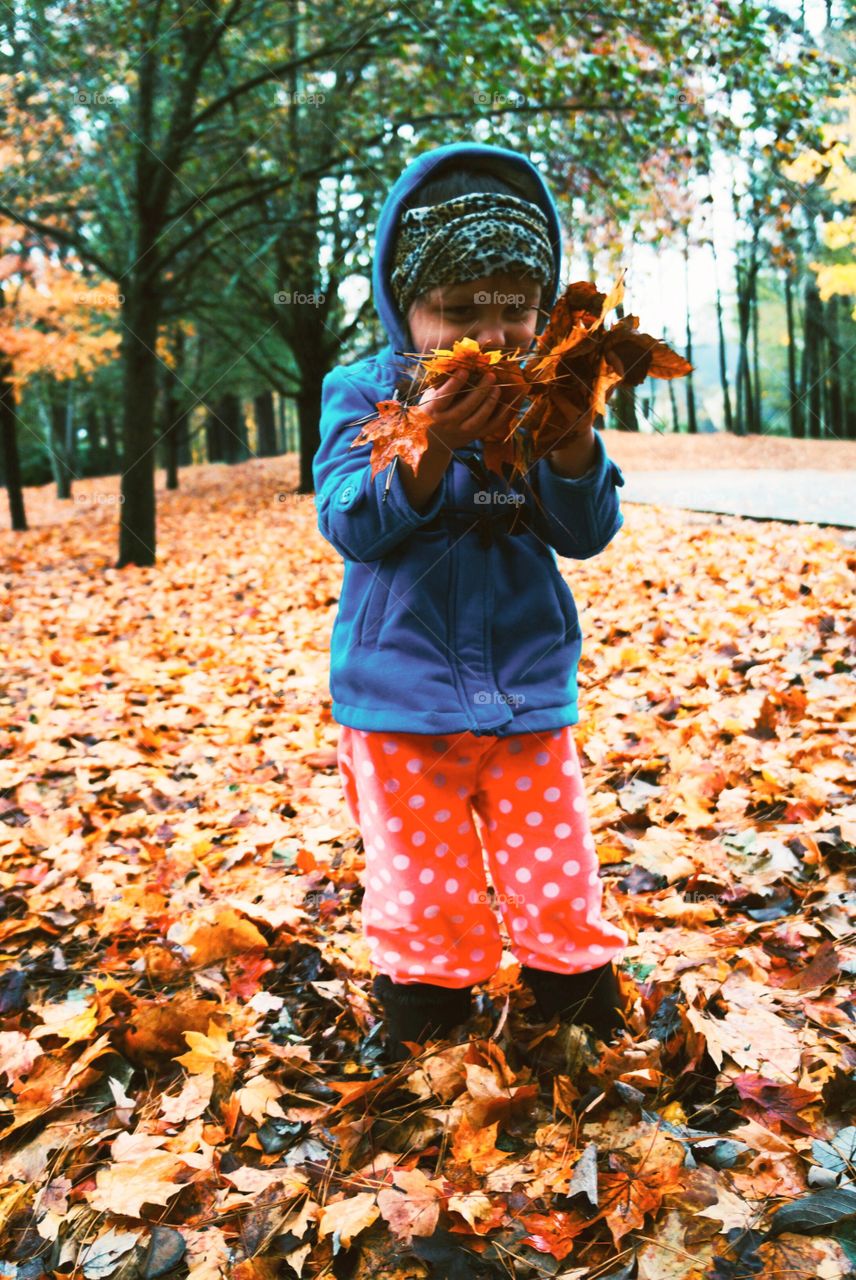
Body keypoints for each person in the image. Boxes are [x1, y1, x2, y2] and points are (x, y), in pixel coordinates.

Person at [312, 141, 630, 1061]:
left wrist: (571, 447)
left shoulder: (546, 390)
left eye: (514, 314)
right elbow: (349, 521)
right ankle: (429, 1015)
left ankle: (574, 996)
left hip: (526, 683)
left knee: (555, 863)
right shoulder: (362, 392)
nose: (488, 340)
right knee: (422, 875)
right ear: (404, 306)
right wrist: (431, 447)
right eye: (455, 314)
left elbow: (586, 530)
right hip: (401, 691)